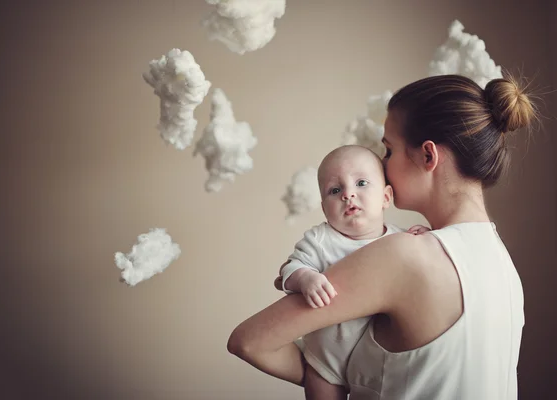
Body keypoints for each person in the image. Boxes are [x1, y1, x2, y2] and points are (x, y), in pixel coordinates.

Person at [228, 74, 537, 399]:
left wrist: (324, 374)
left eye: (388, 151)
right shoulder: (504, 268)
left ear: (428, 156)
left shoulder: (403, 255)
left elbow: (248, 341)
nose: (383, 166)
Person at [274, 144, 427, 399]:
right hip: (325, 361)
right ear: (324, 209)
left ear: (386, 197)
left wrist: (423, 237)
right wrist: (306, 278)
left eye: (361, 183)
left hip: (376, 360)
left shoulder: (401, 241)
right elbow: (289, 270)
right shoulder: (321, 240)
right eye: (335, 190)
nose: (348, 195)